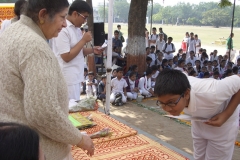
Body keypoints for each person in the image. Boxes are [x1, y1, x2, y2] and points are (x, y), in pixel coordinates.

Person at [0, 0, 94, 159]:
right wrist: (79, 139)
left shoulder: (11, 32)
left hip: (14, 142)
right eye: (62, 17)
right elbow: (43, 113)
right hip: (39, 148)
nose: (64, 24)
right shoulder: (35, 46)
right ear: (43, 15)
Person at [155, 69, 240, 160]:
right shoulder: (178, 88)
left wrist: (226, 114)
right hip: (198, 120)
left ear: (187, 93)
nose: (167, 109)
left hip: (222, 125)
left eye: (171, 102)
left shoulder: (213, 92)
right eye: (162, 103)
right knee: (199, 156)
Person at [50, 0, 102, 101]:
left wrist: (92, 50)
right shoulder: (63, 29)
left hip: (76, 76)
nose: (85, 21)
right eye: (85, 17)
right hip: (67, 77)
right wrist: (83, 40)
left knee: (74, 107)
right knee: (69, 108)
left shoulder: (77, 29)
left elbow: (79, 51)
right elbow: (66, 56)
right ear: (75, 14)